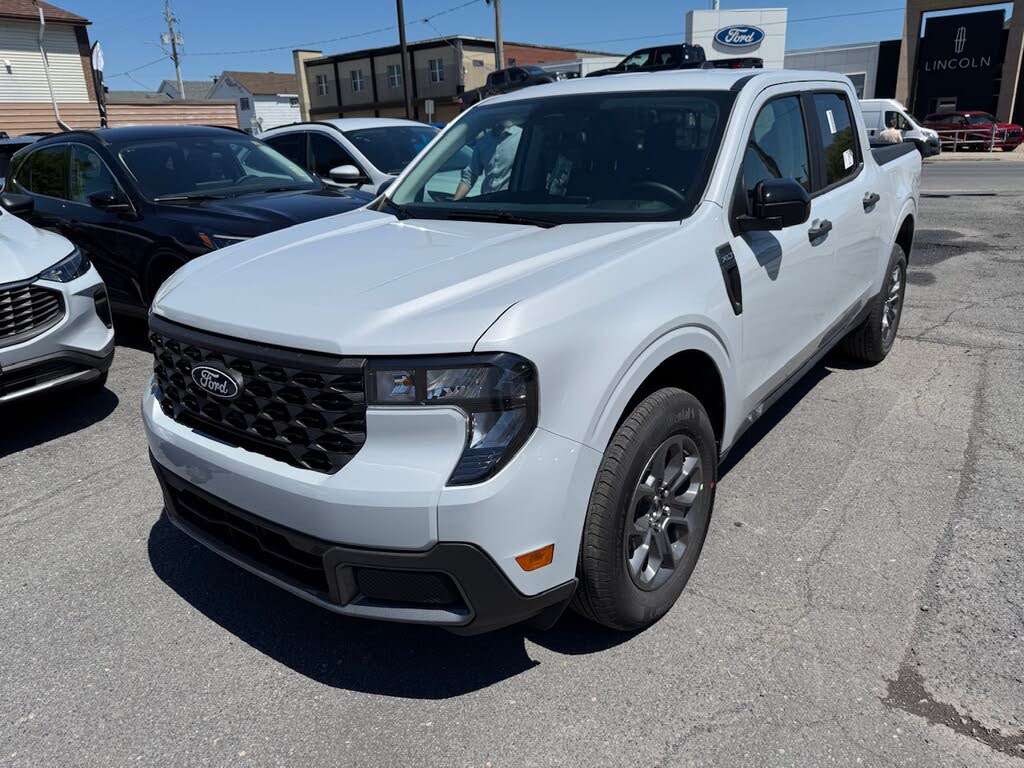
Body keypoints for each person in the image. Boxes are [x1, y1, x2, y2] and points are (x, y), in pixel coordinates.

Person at [453, 118, 523, 200]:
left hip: (510, 202)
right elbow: (470, 175)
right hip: (487, 202)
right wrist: (454, 203)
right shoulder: (483, 141)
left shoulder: (521, 137)